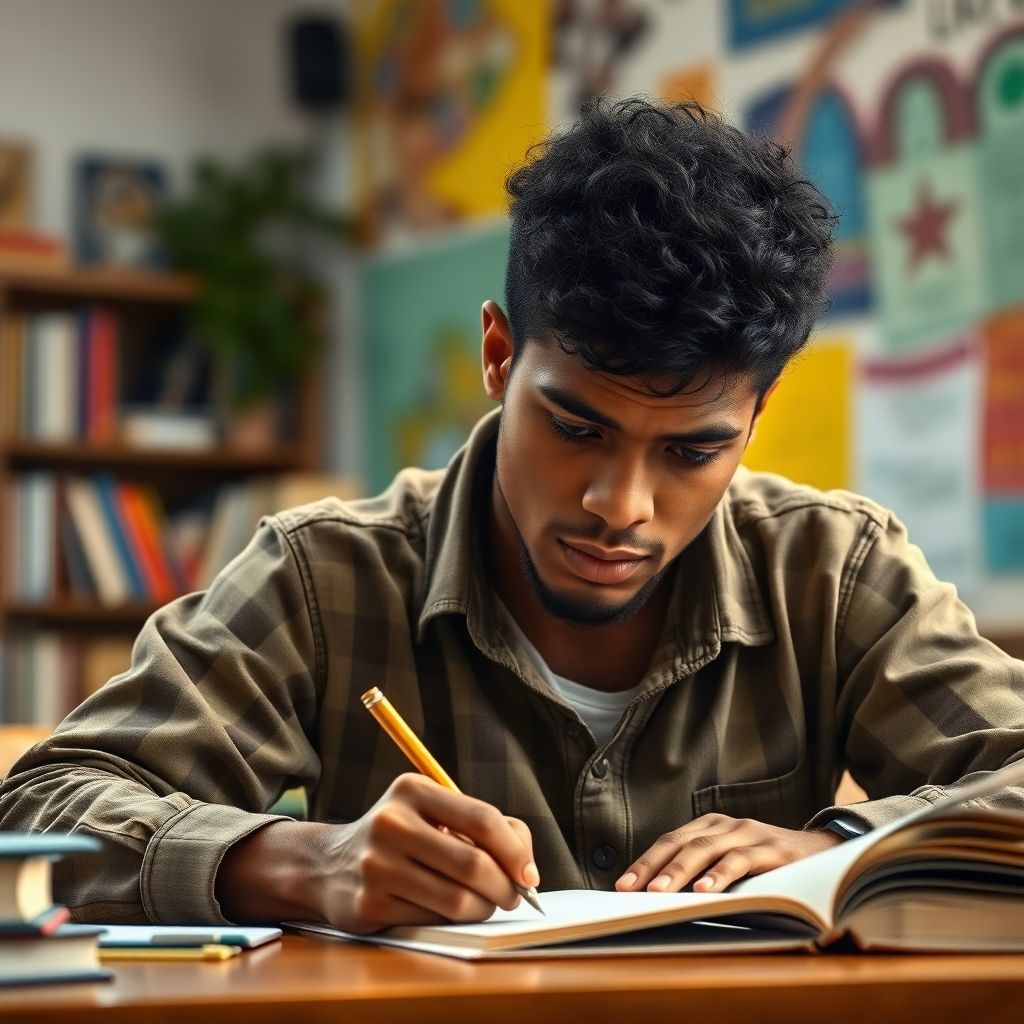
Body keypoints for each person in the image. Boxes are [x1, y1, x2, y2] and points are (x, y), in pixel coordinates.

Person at [2, 98, 1022, 934]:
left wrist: (843, 847)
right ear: (499, 356)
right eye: (574, 427)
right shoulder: (326, 580)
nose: (617, 506)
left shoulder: (833, 572)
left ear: (756, 413)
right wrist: (298, 860)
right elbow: (40, 806)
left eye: (691, 450)